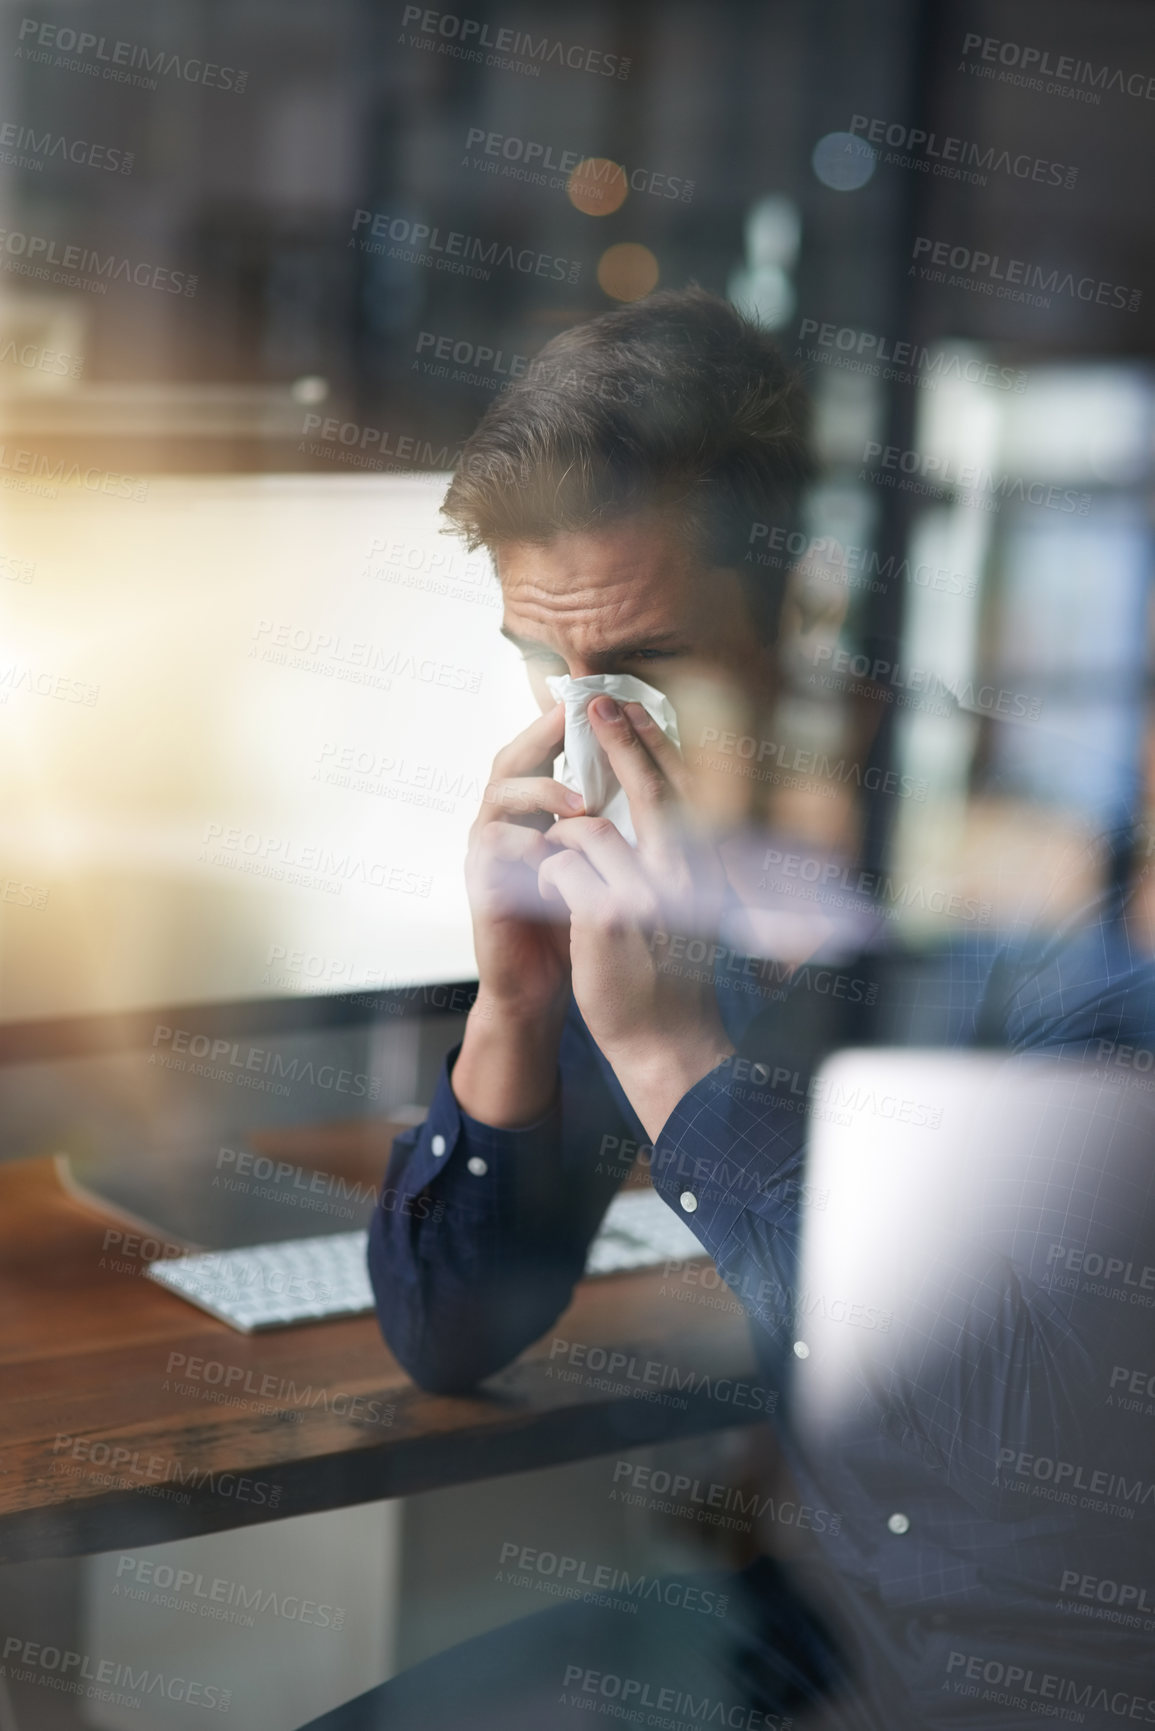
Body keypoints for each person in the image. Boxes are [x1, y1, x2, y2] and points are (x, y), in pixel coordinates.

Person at [301, 288, 1155, 1729]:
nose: (593, 727)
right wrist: (512, 1005)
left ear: (812, 604)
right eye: (542, 664)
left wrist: (668, 1051)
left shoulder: (1048, 890)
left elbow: (1009, 1446)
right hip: (811, 1616)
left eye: (649, 668)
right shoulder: (643, 879)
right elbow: (453, 1332)